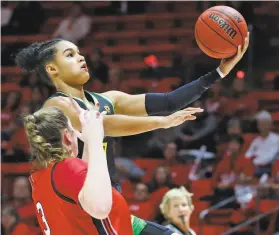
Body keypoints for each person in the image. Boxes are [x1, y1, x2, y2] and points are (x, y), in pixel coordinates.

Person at [15, 34, 249, 235]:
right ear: (52, 69)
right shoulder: (57, 106)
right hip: (83, 207)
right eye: (69, 55)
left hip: (110, 200)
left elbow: (169, 101)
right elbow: (102, 124)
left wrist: (219, 72)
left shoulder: (108, 99)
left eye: (79, 52)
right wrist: (161, 123)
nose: (81, 57)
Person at [24, 106, 133, 234]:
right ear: (67, 136)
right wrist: (95, 140)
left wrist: (89, 143)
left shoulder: (43, 177)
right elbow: (100, 208)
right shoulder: (66, 168)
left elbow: (85, 189)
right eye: (74, 129)